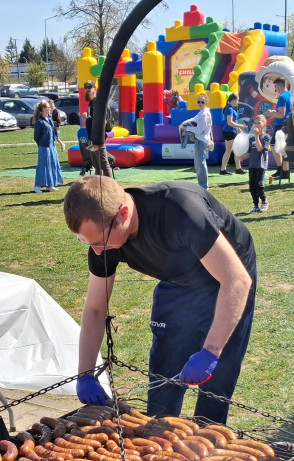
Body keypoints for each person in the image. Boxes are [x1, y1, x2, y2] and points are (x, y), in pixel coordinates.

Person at [63, 175, 257, 424]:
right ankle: (159, 433)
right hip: (178, 281)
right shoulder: (104, 240)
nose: (97, 250)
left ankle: (209, 437)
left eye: (99, 240)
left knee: (218, 379)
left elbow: (236, 281)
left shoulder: (180, 209)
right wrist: (86, 372)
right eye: (86, 242)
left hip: (229, 278)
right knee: (164, 375)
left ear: (123, 214)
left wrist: (211, 351)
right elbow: (95, 309)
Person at [180, 94, 213, 190]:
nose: (200, 104)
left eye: (202, 102)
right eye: (198, 102)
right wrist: (184, 123)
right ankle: (202, 185)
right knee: (199, 163)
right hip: (200, 140)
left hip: (201, 141)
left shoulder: (204, 114)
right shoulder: (202, 113)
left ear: (206, 102)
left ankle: (203, 186)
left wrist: (186, 127)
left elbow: (199, 130)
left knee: (200, 163)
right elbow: (194, 119)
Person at [241, 114, 271, 213]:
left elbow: (259, 148)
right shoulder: (251, 139)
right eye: (255, 123)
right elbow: (250, 152)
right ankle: (255, 205)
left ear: (264, 124)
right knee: (252, 186)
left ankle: (264, 201)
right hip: (252, 165)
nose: (257, 124)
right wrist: (243, 157)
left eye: (259, 122)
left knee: (258, 185)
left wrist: (257, 136)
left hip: (261, 165)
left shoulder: (266, 137)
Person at [32, 101, 64, 193]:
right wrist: (41, 144)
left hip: (52, 146)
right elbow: (36, 136)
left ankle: (50, 185)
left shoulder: (49, 119)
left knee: (52, 165)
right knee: (43, 166)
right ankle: (37, 186)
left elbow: (53, 131)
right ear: (43, 109)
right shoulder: (39, 122)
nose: (50, 108)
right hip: (44, 147)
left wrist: (55, 139)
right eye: (48, 107)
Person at [268, 76, 293, 180]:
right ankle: (282, 170)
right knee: (280, 148)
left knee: (275, 146)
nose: (275, 89)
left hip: (281, 125)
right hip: (286, 124)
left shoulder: (283, 97)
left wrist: (272, 113)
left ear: (280, 85)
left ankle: (282, 169)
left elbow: (281, 114)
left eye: (276, 86)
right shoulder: (289, 95)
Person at [219, 94, 245, 175]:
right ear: (233, 100)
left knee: (228, 151)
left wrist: (238, 128)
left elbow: (233, 122)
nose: (238, 102)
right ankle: (238, 168)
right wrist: (239, 126)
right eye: (237, 100)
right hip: (229, 132)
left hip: (228, 132)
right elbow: (229, 122)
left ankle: (223, 169)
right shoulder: (230, 109)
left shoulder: (230, 108)